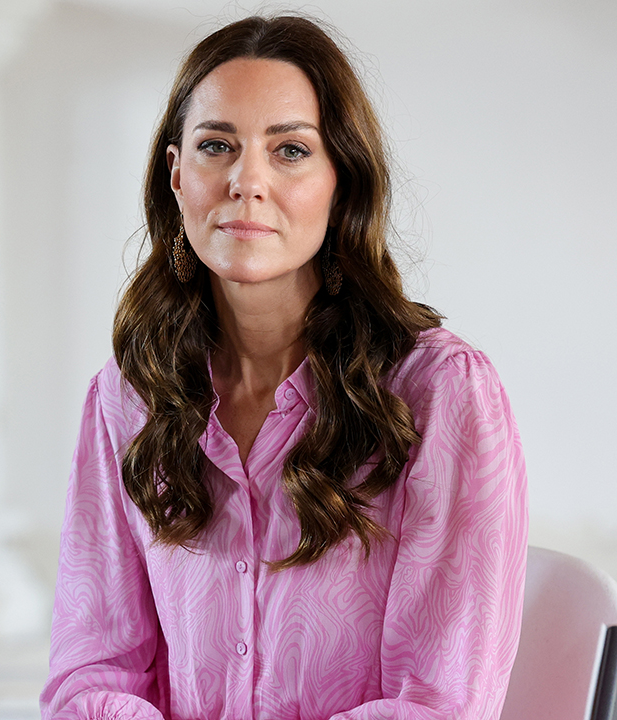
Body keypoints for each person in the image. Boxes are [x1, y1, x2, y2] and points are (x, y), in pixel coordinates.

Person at [41, 15, 527, 720]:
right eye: (216, 146)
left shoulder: (443, 394)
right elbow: (89, 678)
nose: (246, 181)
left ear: (341, 183)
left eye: (290, 150)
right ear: (177, 174)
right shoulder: (127, 398)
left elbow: (438, 704)